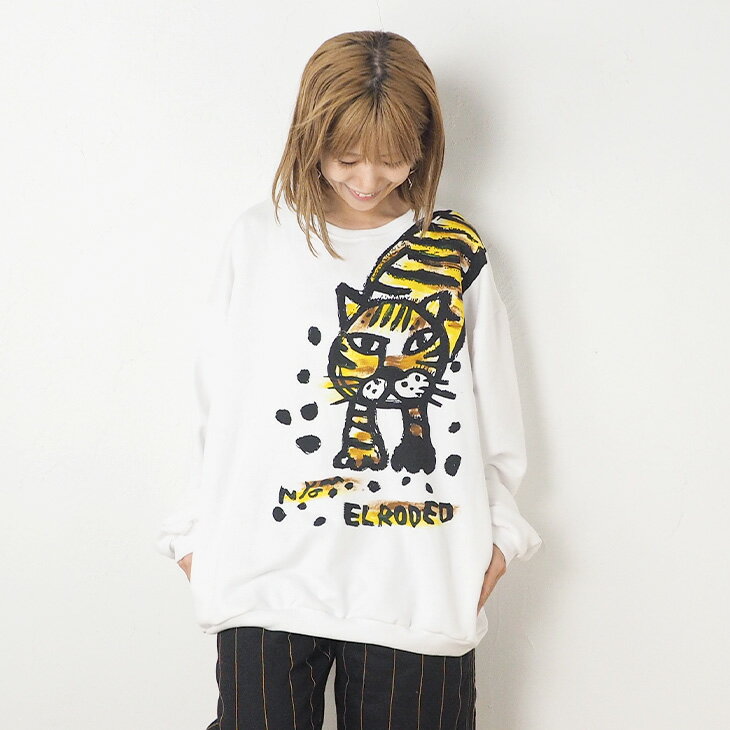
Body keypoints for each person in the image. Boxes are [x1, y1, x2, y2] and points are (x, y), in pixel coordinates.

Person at [156, 29, 542, 730]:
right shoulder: (260, 239)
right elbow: (215, 400)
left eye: (393, 158)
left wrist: (502, 532)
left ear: (424, 145)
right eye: (347, 157)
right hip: (265, 579)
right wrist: (189, 535)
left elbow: (494, 405)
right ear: (311, 138)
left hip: (418, 580)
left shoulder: (452, 249)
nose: (368, 180)